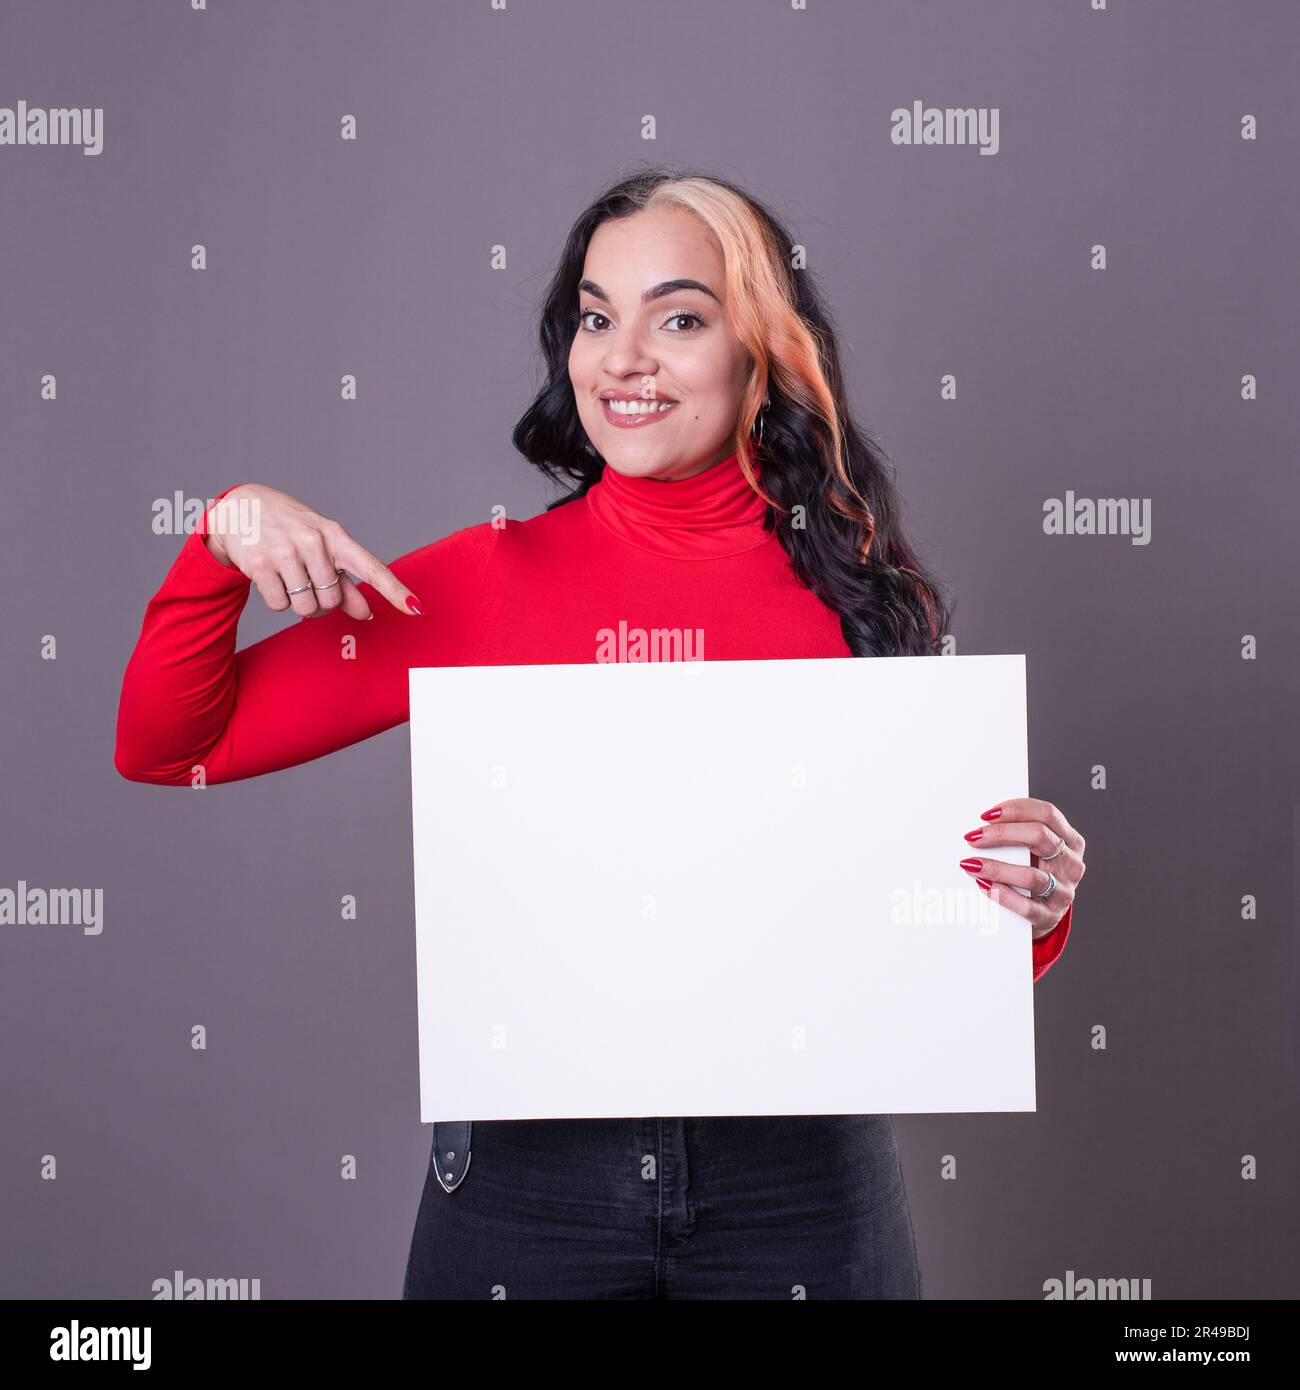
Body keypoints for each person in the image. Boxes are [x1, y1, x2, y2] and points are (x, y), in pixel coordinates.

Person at [114, 166, 1086, 1300]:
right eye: (593, 316)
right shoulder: (482, 582)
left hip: (801, 1183)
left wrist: (1030, 909)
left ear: (759, 349)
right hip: (534, 1186)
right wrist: (219, 537)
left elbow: (913, 943)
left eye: (677, 318)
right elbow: (172, 742)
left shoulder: (864, 595)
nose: (621, 358)